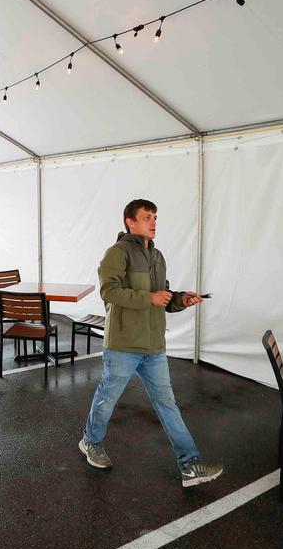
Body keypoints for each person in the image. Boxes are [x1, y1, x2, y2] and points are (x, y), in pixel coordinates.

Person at [79, 198, 223, 488]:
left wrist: (180, 299)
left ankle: (190, 464)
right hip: (123, 344)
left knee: (167, 404)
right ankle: (90, 441)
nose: (153, 221)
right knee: (107, 399)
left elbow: (163, 297)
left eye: (155, 217)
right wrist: (149, 298)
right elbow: (109, 292)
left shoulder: (157, 256)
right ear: (130, 222)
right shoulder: (117, 253)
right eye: (147, 217)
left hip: (154, 346)